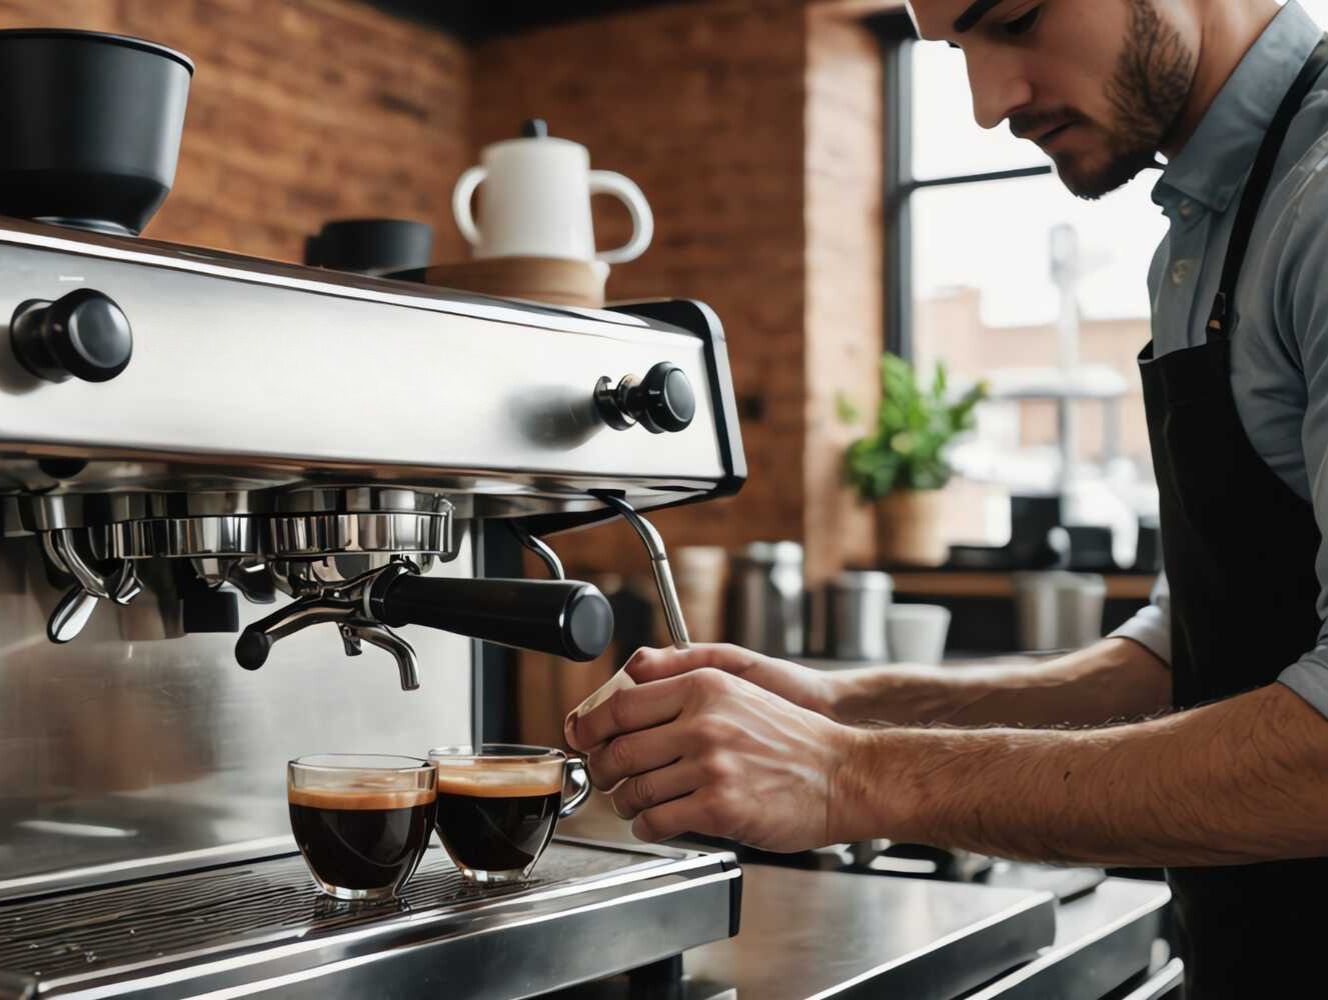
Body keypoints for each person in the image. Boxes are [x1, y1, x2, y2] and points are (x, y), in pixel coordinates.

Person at [564, 1, 1328, 995]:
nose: (985, 102)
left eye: (1013, 18)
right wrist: (847, 705)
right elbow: (1198, 649)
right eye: (957, 49)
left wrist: (852, 772)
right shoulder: (1206, 231)